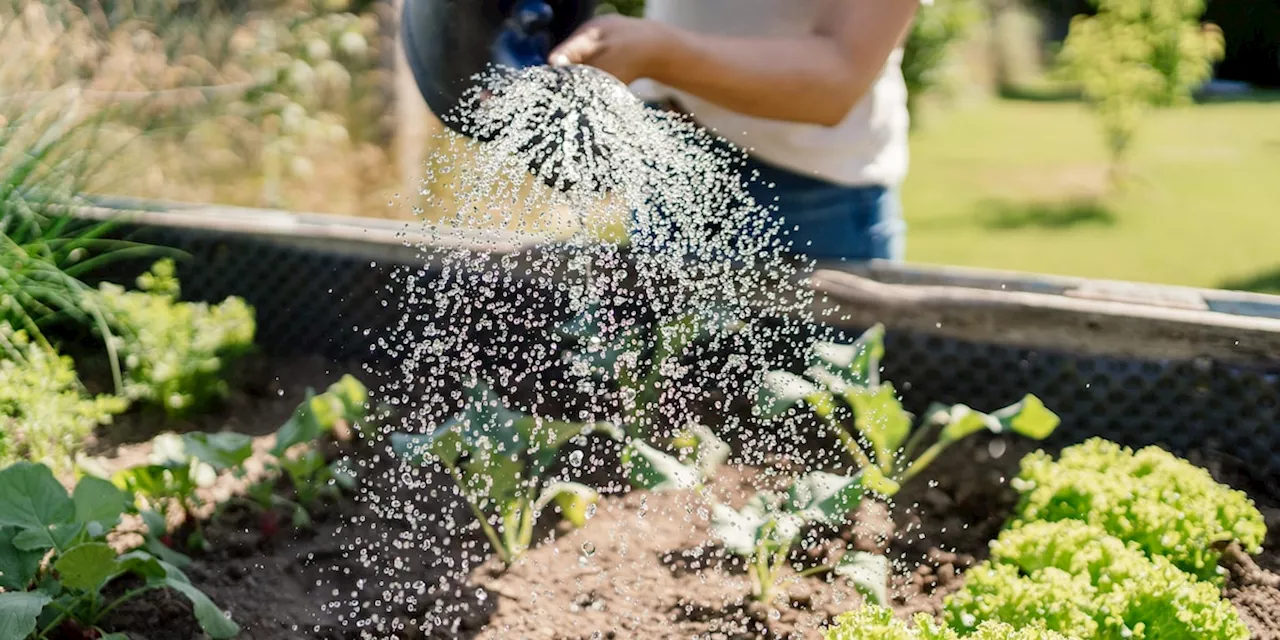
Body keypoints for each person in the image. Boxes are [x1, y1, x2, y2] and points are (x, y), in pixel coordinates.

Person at [547, 0, 928, 263]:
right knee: (654, 372)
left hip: (803, 199)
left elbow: (839, 81)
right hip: (669, 164)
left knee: (815, 381)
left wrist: (657, 55)